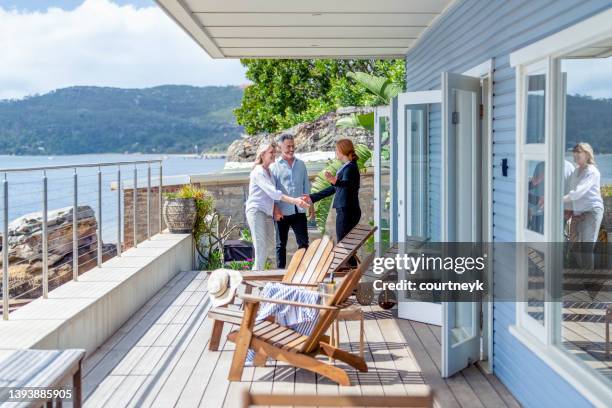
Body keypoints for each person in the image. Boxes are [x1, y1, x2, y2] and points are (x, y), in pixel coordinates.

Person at [245, 141, 310, 271]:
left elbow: (272, 194)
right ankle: (257, 278)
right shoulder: (258, 172)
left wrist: (275, 208)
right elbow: (274, 193)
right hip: (256, 211)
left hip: (266, 212)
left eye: (275, 151)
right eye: (271, 152)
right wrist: (295, 201)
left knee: (267, 245)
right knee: (260, 246)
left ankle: (257, 274)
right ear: (262, 155)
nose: (274, 154)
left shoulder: (268, 171)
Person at [304, 139, 361, 244]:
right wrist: (312, 198)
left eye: (337, 150)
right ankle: (350, 261)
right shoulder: (346, 167)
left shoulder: (351, 168)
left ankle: (348, 261)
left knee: (343, 245)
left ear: (342, 150)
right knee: (344, 245)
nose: (336, 153)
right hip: (345, 211)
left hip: (348, 212)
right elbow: (334, 188)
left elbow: (347, 184)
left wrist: (335, 181)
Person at [270, 134, 314, 268]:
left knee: (304, 243)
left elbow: (306, 186)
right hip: (281, 212)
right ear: (280, 147)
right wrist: (274, 209)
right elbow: (272, 191)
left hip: (299, 211)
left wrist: (311, 206)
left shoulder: (301, 165)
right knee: (280, 245)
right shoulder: (274, 167)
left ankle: (304, 272)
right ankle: (280, 275)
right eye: (288, 146)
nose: (291, 149)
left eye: (293, 146)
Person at [564, 142, 604, 243]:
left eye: (578, 152)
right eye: (574, 151)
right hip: (578, 213)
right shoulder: (576, 171)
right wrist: (568, 209)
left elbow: (578, 193)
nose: (575, 154)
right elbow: (570, 190)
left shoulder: (592, 172)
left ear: (587, 154)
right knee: (575, 246)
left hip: (591, 211)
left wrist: (558, 199)